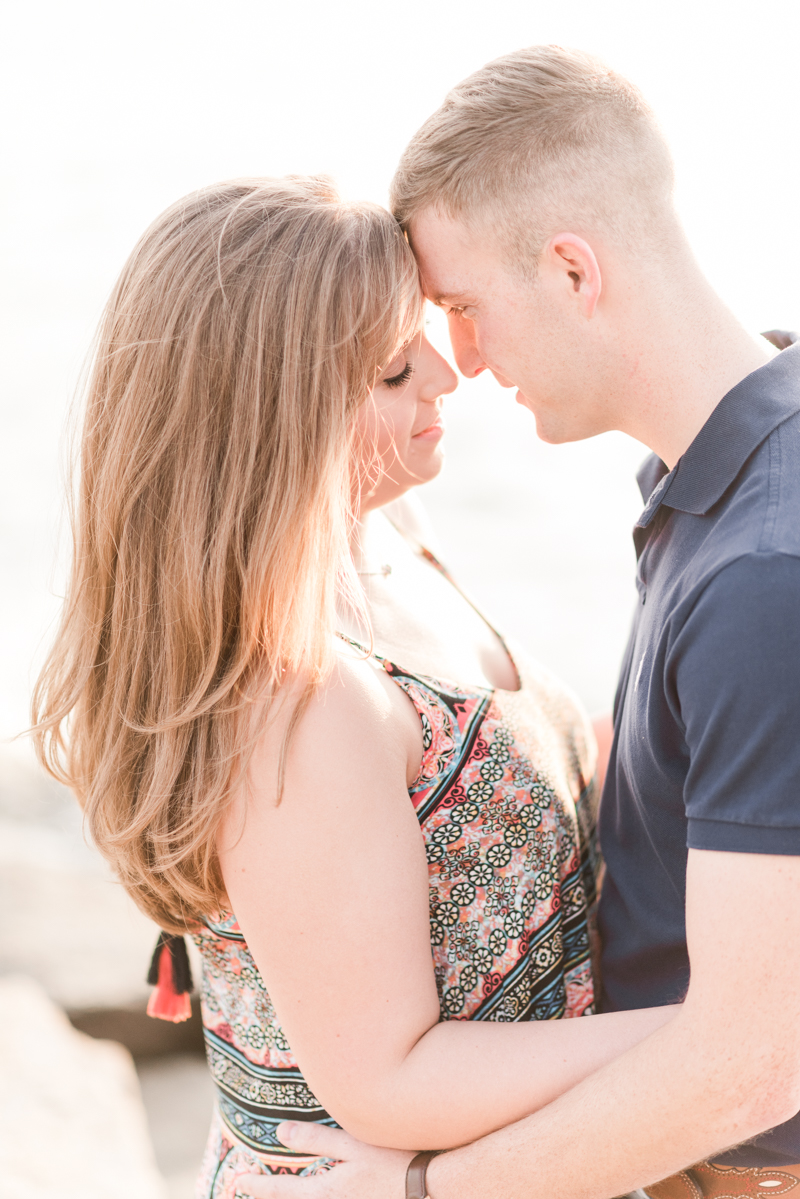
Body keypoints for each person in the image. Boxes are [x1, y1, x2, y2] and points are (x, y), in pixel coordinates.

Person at [31, 176, 680, 1199]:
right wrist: (712, 1034)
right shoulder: (300, 697)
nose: (443, 371)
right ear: (274, 419)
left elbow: (482, 807)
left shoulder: (387, 532)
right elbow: (388, 1076)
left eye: (421, 330)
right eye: (390, 368)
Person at [235, 45, 800, 1199]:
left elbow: (750, 1065)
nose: (463, 366)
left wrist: (424, 1188)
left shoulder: (759, 569)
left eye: (463, 311)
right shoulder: (723, 486)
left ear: (571, 270)